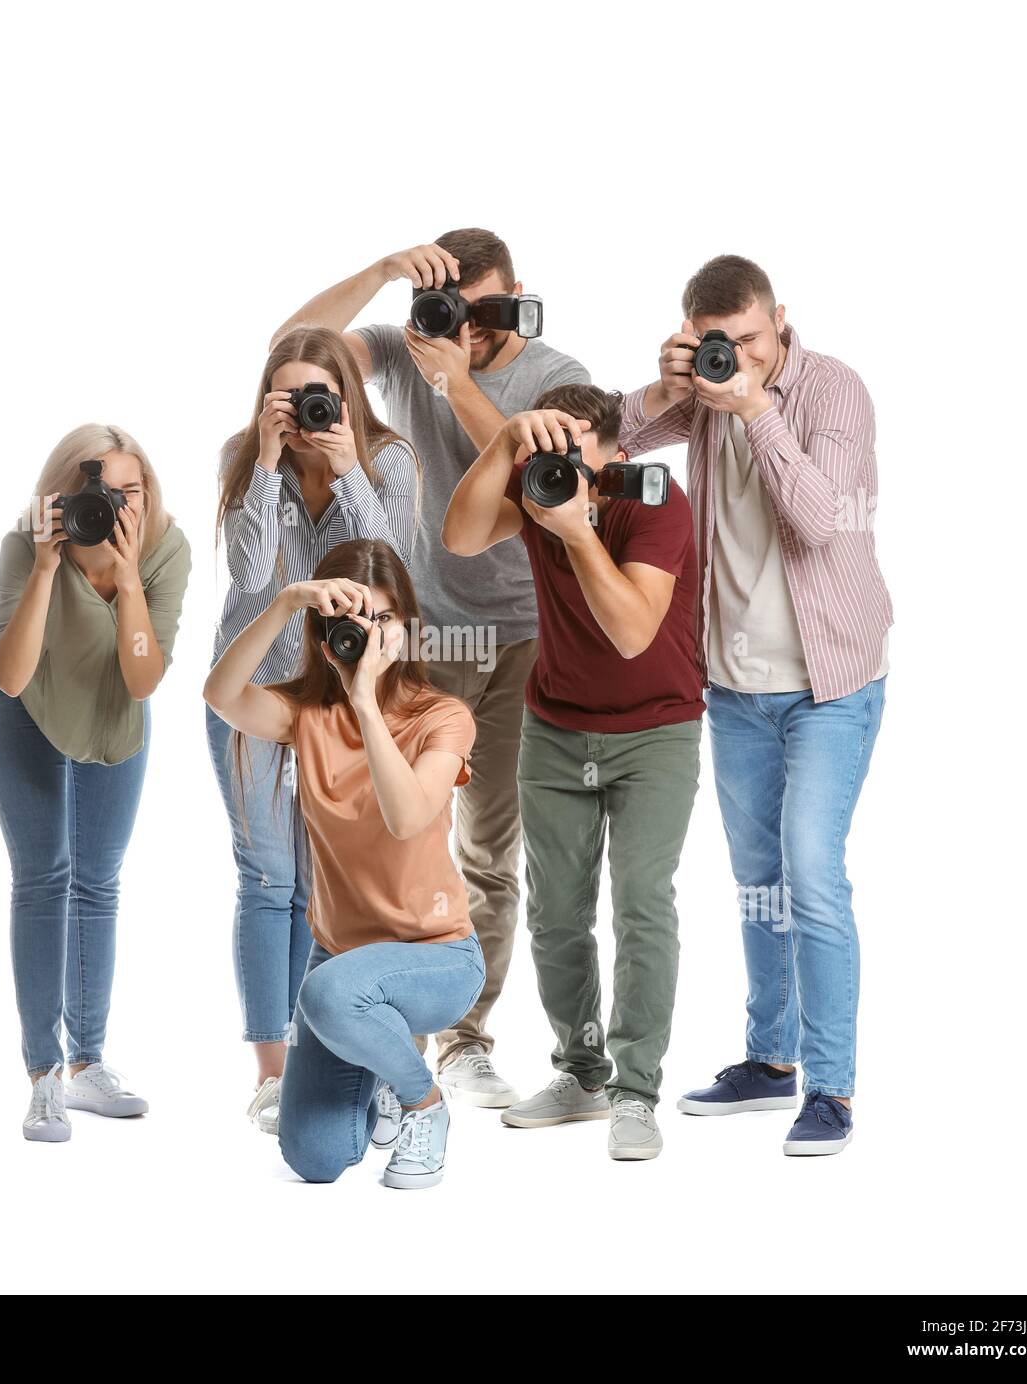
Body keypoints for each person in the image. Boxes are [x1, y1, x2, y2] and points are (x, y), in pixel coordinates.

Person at [273, 230, 589, 1106]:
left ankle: (467, 1038)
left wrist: (453, 380)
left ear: (518, 296)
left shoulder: (550, 373)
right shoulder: (412, 338)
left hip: (525, 629)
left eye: (486, 311)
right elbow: (289, 353)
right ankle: (386, 1043)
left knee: (490, 846)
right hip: (426, 629)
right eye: (455, 307)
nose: (467, 327)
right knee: (400, 837)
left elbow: (533, 474)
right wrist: (381, 276)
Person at [619, 254, 891, 1156]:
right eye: (712, 346)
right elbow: (610, 445)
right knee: (760, 886)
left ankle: (834, 1089)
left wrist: (755, 410)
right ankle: (770, 1063)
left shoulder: (834, 393)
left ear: (780, 321)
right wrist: (665, 393)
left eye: (745, 340)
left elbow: (820, 520)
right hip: (735, 692)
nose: (733, 358)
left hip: (831, 683)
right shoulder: (700, 388)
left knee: (811, 872)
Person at [443, 385, 704, 1160]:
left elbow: (630, 633)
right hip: (555, 726)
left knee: (642, 904)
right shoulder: (535, 490)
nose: (556, 465)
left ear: (617, 453)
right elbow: (457, 538)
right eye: (544, 449)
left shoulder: (656, 503)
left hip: (655, 730)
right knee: (556, 914)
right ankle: (584, 1073)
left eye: (574, 449)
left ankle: (635, 1092)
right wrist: (503, 445)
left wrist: (580, 534)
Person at [204, 539, 483, 1188]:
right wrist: (283, 602)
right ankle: (380, 1069)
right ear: (329, 633)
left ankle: (423, 1101)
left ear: (407, 627)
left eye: (383, 619)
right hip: (342, 959)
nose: (371, 635)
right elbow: (221, 695)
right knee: (314, 1156)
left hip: (435, 956)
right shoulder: (307, 713)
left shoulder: (443, 716)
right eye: (355, 622)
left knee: (325, 992)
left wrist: (366, 703)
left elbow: (408, 816)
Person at [207, 327, 417, 1136]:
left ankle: (331, 1053)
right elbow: (255, 577)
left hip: (345, 695)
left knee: (331, 887)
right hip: (254, 686)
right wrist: (265, 464)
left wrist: (346, 467)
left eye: (319, 397)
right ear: (269, 402)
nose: (306, 413)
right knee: (268, 879)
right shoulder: (245, 458)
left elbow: (385, 572)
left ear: (349, 397)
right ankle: (272, 1071)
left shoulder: (389, 460)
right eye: (290, 400)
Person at [0, 424, 190, 1142]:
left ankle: (87, 1064)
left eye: (130, 490)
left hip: (109, 701)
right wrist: (42, 570)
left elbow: (142, 677)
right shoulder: (27, 544)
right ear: (62, 493)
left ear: (146, 492)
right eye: (96, 491)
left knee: (98, 878)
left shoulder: (164, 550)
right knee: (45, 875)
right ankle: (43, 1076)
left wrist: (129, 580)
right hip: (22, 705)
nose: (114, 506)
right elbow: (11, 675)